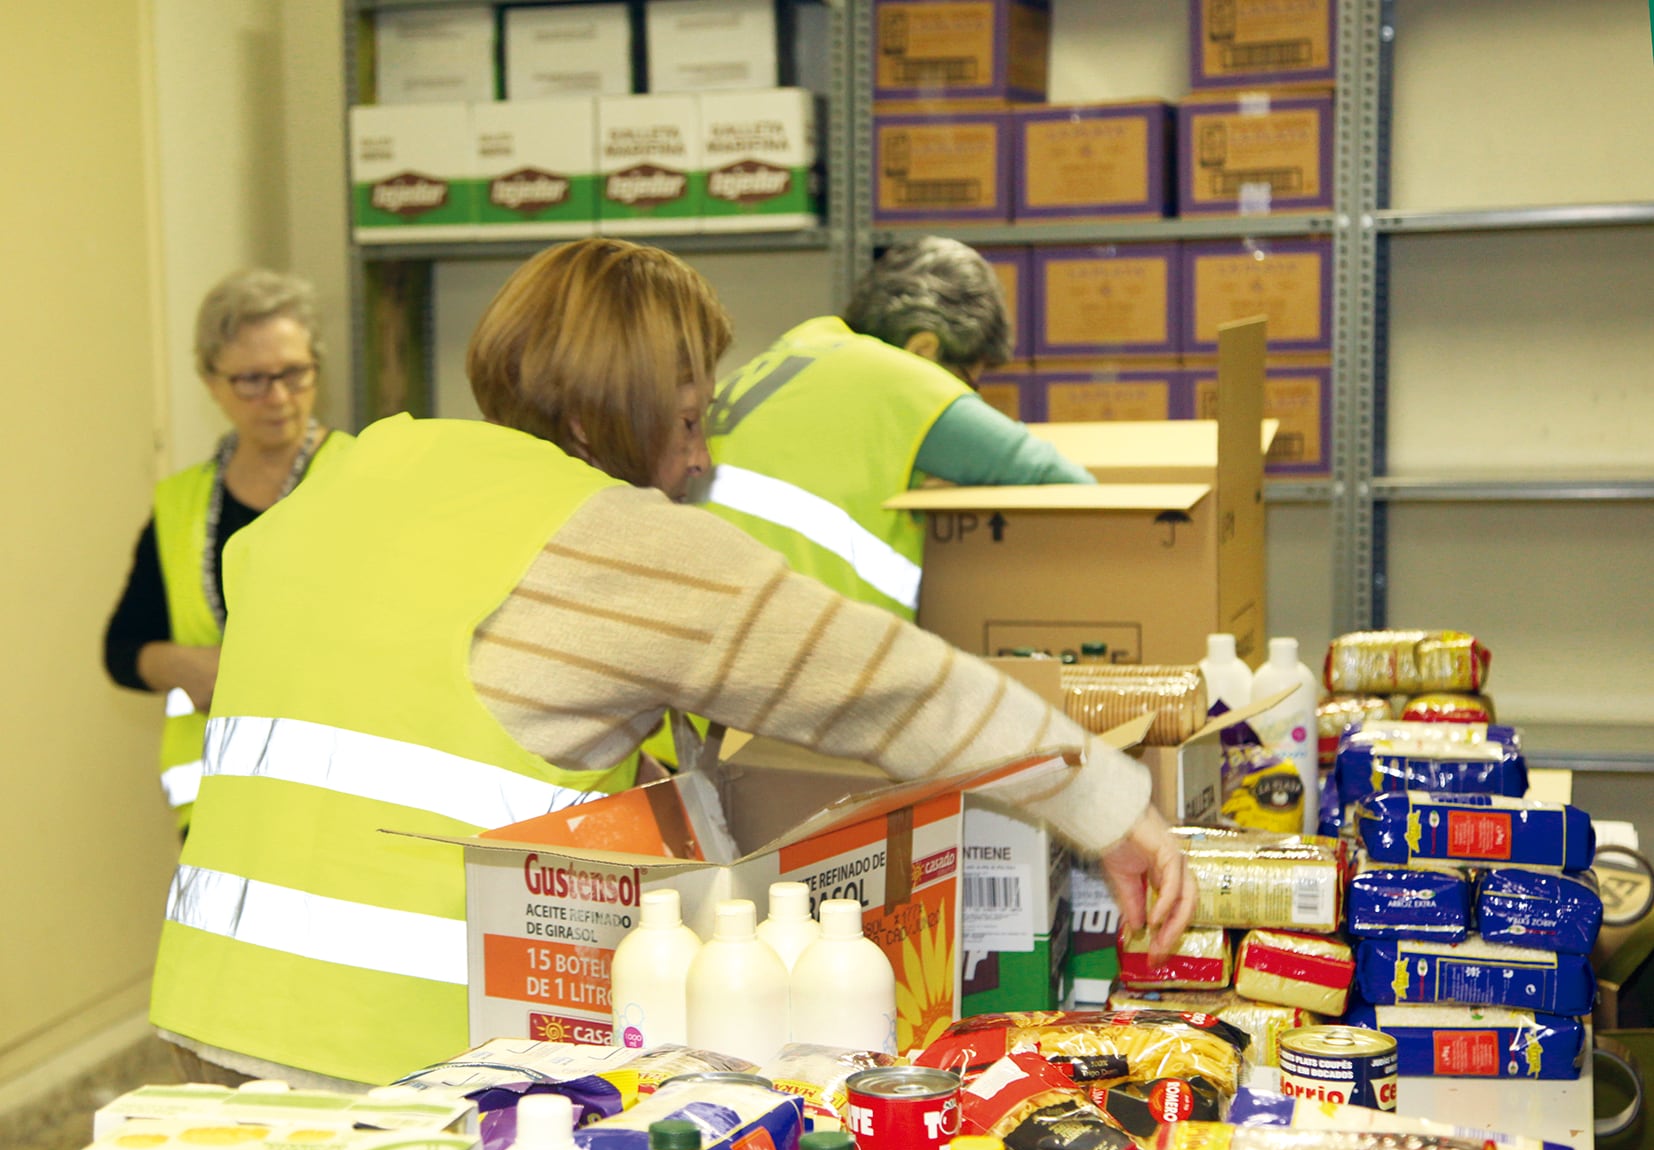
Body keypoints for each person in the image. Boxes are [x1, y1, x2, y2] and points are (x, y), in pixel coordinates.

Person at [148, 238, 1195, 1090]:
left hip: (207, 1020)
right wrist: (1110, 803)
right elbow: (887, 680)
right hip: (395, 1057)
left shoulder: (357, 469)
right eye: (690, 421)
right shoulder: (608, 535)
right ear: (603, 410)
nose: (699, 460)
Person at [694, 236, 1095, 620]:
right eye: (968, 384)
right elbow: (1067, 485)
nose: (966, 400)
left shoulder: (795, 354)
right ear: (924, 348)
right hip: (804, 649)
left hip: (711, 624)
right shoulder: (900, 379)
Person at [104, 270, 352, 832]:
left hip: (337, 797)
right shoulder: (181, 503)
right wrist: (180, 663)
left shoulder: (362, 477)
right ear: (210, 381)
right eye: (252, 380)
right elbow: (121, 649)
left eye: (295, 372)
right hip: (216, 807)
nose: (279, 397)